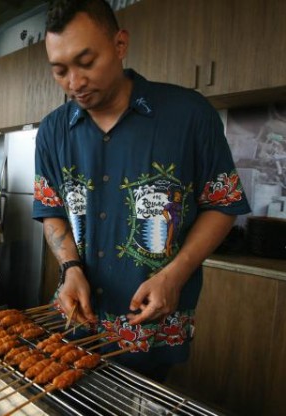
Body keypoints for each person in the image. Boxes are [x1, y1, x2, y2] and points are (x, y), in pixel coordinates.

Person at [33, 0, 251, 382]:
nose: (74, 83)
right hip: (76, 320)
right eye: (60, 70)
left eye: (86, 62)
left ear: (120, 45)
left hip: (152, 327)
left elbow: (222, 204)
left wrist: (174, 276)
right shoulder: (52, 130)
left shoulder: (188, 115)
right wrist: (69, 268)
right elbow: (50, 207)